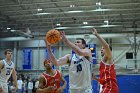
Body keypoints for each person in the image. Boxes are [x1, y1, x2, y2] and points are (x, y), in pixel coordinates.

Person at [91, 28, 119, 93]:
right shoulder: (103, 63)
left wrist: (97, 35)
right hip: (106, 87)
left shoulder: (109, 58)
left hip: (110, 88)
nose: (101, 49)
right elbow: (104, 81)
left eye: (103, 48)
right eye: (101, 48)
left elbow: (106, 46)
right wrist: (95, 78)